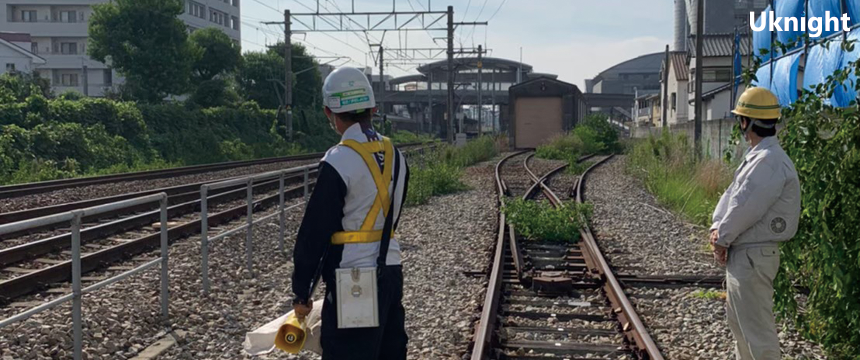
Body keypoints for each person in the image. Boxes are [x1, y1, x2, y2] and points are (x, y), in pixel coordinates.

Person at [289, 66, 409, 360]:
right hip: (391, 271)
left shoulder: (338, 160)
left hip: (353, 279)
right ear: (373, 108)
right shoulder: (398, 157)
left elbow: (314, 231)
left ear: (329, 113)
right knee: (388, 353)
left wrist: (301, 291)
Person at [710, 87, 801, 360]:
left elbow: (744, 206)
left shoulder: (768, 161)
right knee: (742, 331)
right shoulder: (762, 158)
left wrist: (722, 237)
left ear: (745, 122)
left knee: (757, 335)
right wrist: (718, 229)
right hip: (748, 254)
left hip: (753, 255)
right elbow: (733, 197)